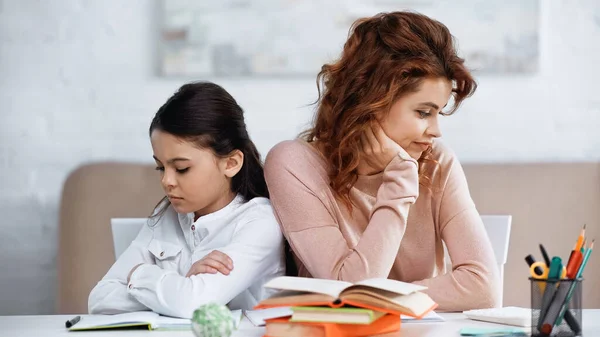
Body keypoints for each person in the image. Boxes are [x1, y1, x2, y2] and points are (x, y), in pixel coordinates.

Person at [263, 11, 500, 311]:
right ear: (372, 102)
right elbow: (348, 288)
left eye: (439, 112)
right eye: (423, 112)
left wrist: (376, 296)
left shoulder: (437, 162)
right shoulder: (294, 164)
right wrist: (400, 178)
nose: (437, 131)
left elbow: (484, 288)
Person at [88, 82, 285, 318]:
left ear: (231, 163)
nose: (166, 181)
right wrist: (181, 282)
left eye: (181, 168)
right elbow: (100, 299)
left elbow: (195, 303)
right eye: (160, 167)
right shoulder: (167, 215)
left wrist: (137, 274)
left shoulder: (260, 224)